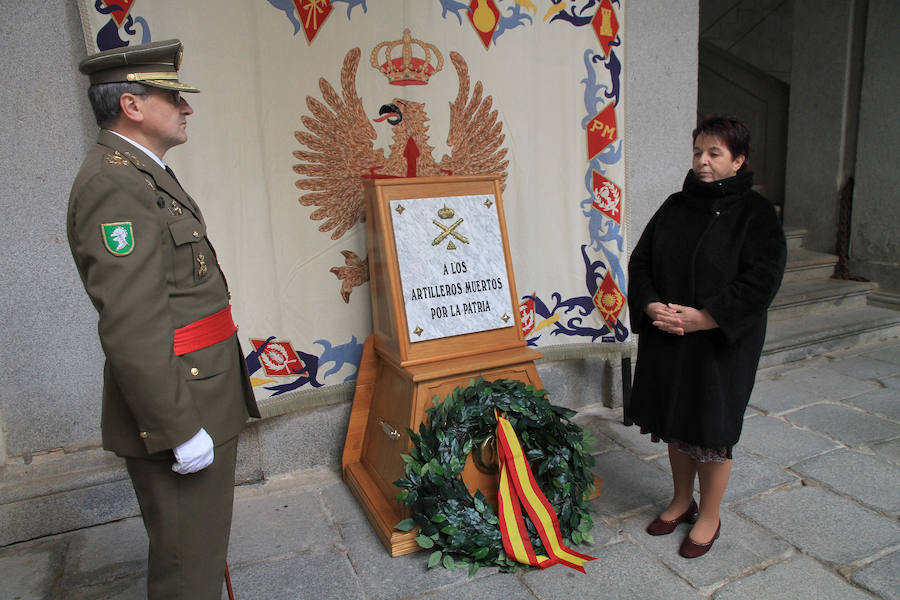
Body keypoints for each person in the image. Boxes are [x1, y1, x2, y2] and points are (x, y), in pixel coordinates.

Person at [67, 39, 260, 598]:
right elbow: (132, 323)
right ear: (131, 105)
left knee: (198, 550)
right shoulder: (115, 185)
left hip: (199, 385)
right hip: (181, 399)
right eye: (171, 96)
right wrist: (176, 427)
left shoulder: (140, 172)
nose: (186, 108)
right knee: (186, 570)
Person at [626, 115, 786, 559]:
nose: (703, 161)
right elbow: (640, 261)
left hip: (721, 343)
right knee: (677, 423)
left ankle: (710, 513)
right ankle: (681, 499)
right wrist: (650, 303)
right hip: (669, 334)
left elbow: (762, 280)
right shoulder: (675, 205)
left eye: (715, 153)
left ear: (738, 161)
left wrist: (708, 317)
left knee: (712, 430)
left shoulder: (756, 215)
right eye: (698, 151)